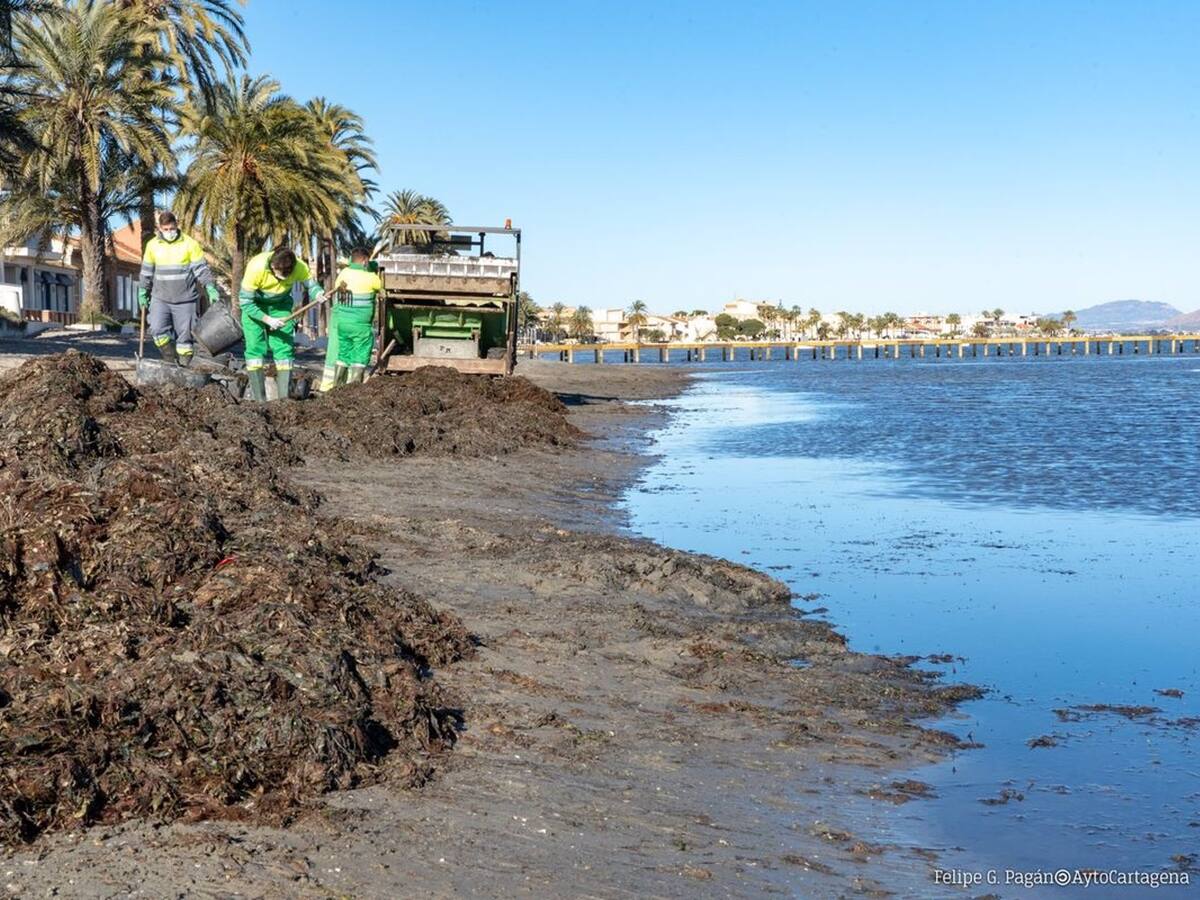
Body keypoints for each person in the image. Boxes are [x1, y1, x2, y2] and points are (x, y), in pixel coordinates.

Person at [238, 247, 325, 401]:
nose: (282, 279)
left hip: (280, 307)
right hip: (255, 307)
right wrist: (267, 319)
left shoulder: (300, 266)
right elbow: (245, 302)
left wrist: (317, 293)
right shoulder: (256, 267)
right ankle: (260, 401)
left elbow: (311, 285)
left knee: (284, 350)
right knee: (254, 350)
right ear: (272, 266)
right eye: (279, 274)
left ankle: (284, 401)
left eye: (287, 275)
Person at [138, 212, 218, 366]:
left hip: (185, 300)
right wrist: (143, 290)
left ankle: (184, 367)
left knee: (185, 339)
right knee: (157, 329)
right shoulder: (152, 246)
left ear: (177, 225)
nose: (169, 232)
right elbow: (146, 271)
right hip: (160, 298)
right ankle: (170, 360)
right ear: (159, 228)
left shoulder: (190, 244)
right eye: (166, 229)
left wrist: (210, 287)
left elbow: (201, 269)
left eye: (172, 228)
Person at [328, 247, 383, 386]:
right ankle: (354, 389)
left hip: (343, 325)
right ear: (365, 261)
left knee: (343, 354)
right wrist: (373, 267)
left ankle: (337, 387)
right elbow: (382, 288)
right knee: (360, 356)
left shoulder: (343, 274)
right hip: (361, 327)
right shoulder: (371, 278)